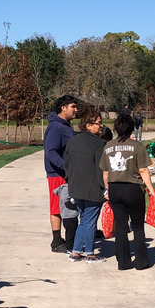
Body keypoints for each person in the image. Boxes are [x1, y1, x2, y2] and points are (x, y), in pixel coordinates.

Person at [100, 114, 155, 271]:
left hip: (115, 189)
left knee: (121, 227)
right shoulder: (137, 146)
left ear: (116, 128)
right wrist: (151, 190)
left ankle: (123, 262)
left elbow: (105, 172)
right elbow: (143, 169)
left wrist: (107, 189)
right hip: (133, 189)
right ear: (132, 127)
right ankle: (141, 262)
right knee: (137, 226)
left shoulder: (108, 146)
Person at [64, 110, 107, 263]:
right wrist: (105, 189)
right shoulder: (98, 144)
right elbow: (101, 170)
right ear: (89, 125)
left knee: (84, 220)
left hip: (75, 188)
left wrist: (70, 180)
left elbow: (66, 165)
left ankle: (75, 252)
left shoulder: (72, 141)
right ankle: (90, 254)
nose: (101, 126)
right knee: (89, 221)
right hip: (92, 190)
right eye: (98, 123)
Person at [44, 95, 78, 253]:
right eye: (73, 106)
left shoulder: (66, 125)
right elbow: (50, 151)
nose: (76, 110)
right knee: (57, 207)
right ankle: (56, 240)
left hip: (66, 173)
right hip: (57, 173)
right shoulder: (56, 127)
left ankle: (69, 237)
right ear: (63, 108)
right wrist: (64, 167)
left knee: (67, 205)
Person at [52, 183, 78, 254]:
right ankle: (69, 248)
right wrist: (74, 203)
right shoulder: (66, 188)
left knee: (74, 231)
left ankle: (73, 246)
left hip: (72, 215)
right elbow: (65, 199)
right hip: (68, 216)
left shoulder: (67, 188)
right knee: (70, 232)